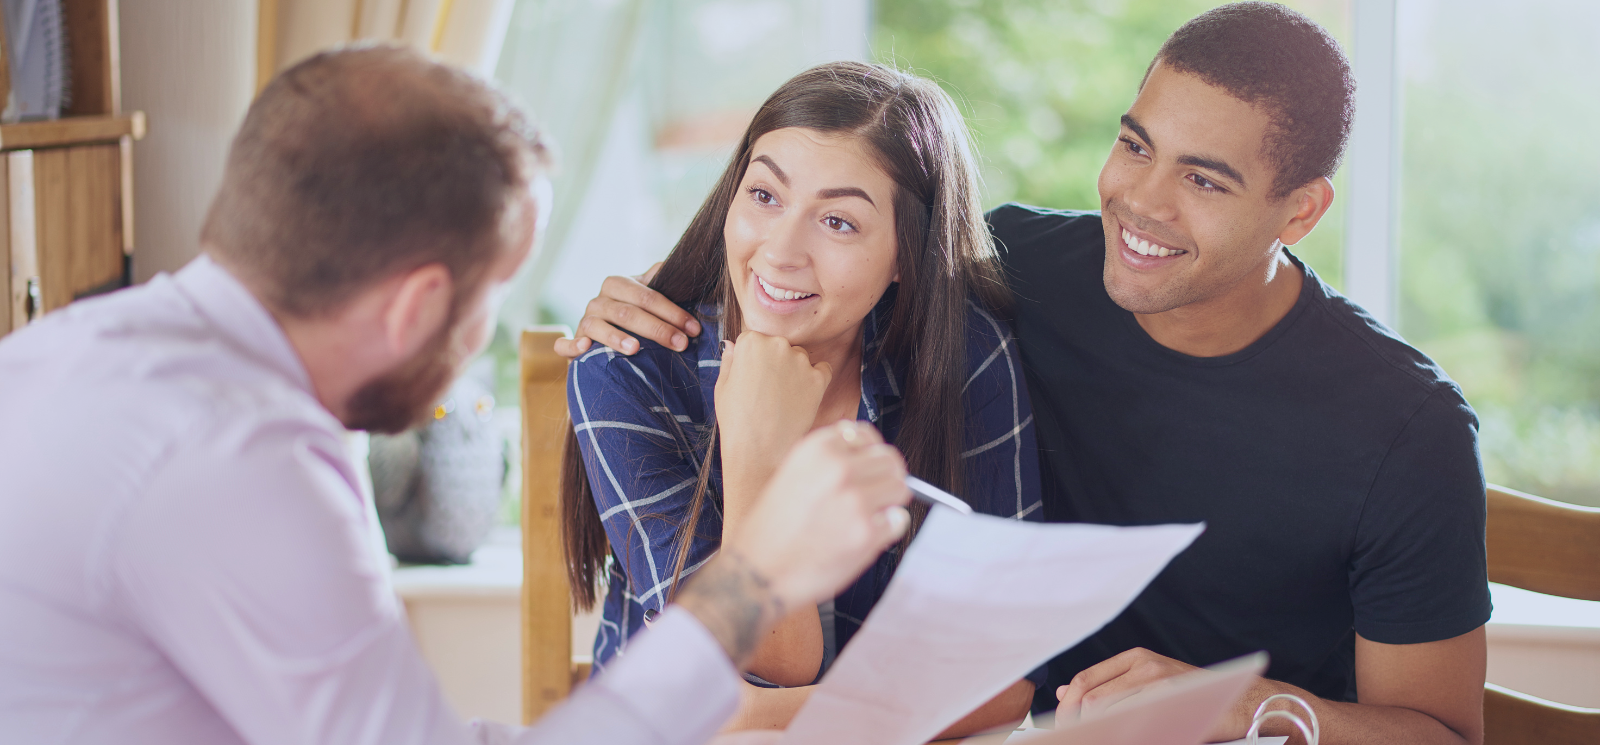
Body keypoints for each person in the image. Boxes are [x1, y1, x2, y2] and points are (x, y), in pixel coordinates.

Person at [555, 4, 1492, 744]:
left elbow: (1444, 732)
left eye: (1204, 181)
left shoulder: (1406, 428)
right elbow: (808, 242)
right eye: (1135, 145)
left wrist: (1243, 702)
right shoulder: (1012, 279)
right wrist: (658, 304)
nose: (1143, 203)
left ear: (1300, 212)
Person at [0, 46, 916, 745]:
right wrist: (754, 581)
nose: (480, 339)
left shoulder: (64, 353)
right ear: (417, 306)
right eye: (490, 301)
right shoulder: (236, 456)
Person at [560, 61, 1043, 736]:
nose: (780, 252)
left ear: (907, 251)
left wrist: (768, 715)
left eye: (839, 222)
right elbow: (769, 657)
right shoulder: (631, 368)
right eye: (764, 196)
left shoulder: (961, 356)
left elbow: (1008, 677)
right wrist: (760, 447)